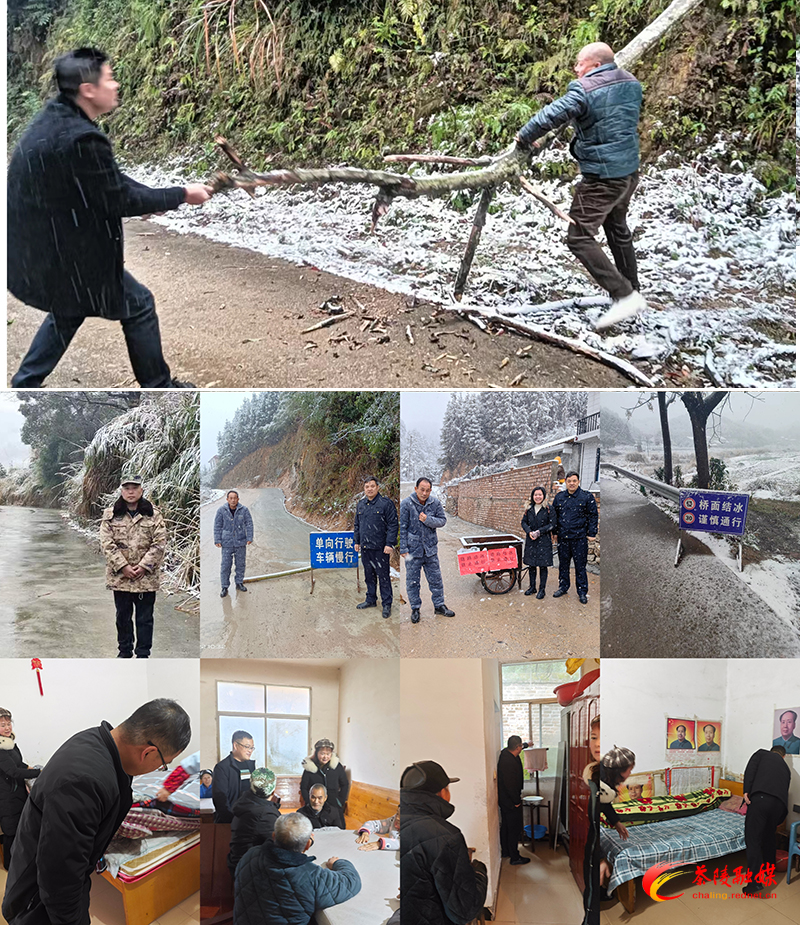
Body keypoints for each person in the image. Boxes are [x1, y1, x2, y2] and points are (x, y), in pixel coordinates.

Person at [8, 48, 213, 388]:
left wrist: (157, 196)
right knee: (138, 304)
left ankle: (25, 384)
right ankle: (160, 389)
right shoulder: (82, 139)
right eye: (109, 78)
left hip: (42, 252)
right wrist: (181, 195)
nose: (116, 85)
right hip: (62, 255)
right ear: (88, 89)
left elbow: (108, 183)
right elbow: (119, 197)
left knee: (69, 310)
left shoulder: (55, 121)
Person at [2, 699, 191, 925]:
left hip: (47, 880)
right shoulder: (84, 782)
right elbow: (60, 879)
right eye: (163, 765)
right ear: (148, 752)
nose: (159, 770)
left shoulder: (96, 739)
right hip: (36, 898)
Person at [515, 42, 645, 332]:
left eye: (580, 63)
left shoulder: (583, 89)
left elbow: (551, 115)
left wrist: (524, 137)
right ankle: (631, 289)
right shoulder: (632, 83)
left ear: (596, 66)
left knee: (579, 237)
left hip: (602, 178)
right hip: (628, 171)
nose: (576, 68)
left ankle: (624, 296)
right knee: (617, 228)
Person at [400, 760, 488, 925]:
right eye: (448, 788)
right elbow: (464, 911)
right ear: (442, 793)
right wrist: (479, 874)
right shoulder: (446, 837)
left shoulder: (393, 823)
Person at [233, 812, 361, 925]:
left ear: (273, 836)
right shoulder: (311, 876)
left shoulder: (251, 854)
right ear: (308, 844)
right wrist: (339, 863)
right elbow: (351, 881)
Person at [99, 474, 167, 659]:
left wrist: (144, 566)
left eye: (134, 488)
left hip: (145, 579)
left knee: (145, 619)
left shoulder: (154, 514)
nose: (131, 491)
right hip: (120, 578)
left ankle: (143, 655)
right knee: (122, 617)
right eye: (127, 488)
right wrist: (123, 567)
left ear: (141, 490)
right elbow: (106, 543)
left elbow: (160, 543)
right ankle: (125, 653)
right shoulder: (111, 514)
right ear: (121, 491)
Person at [582, 744, 634, 925]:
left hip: (593, 839)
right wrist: (602, 858)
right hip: (591, 842)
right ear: (621, 770)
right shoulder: (600, 784)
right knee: (592, 885)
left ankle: (602, 895)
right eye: (630, 769)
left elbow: (606, 805)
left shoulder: (607, 783)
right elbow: (594, 820)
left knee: (595, 885)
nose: (631, 773)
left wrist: (617, 823)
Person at [399, 478, 455, 624]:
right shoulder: (406, 504)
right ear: (416, 488)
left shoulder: (434, 503)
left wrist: (427, 519)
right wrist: (403, 548)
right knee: (412, 582)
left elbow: (442, 521)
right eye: (421, 489)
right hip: (412, 550)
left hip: (430, 549)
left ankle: (439, 605)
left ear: (430, 490)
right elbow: (402, 527)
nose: (424, 493)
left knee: (436, 579)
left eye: (427, 490)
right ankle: (415, 608)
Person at [742, 745, 791, 895]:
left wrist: (746, 791)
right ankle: (770, 870)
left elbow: (750, 771)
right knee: (769, 836)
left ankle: (754, 883)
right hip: (778, 807)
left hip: (761, 800)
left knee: (754, 841)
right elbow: (785, 792)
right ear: (783, 756)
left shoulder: (761, 754)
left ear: (772, 752)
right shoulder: (786, 769)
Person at [0, 708, 40, 871]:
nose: (7, 727)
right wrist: (37, 772)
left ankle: (21, 859)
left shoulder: (10, 743)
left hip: (17, 792)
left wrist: (30, 767)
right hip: (7, 796)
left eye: (9, 723)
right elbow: (13, 772)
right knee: (10, 831)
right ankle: (9, 865)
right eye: (2, 725)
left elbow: (18, 764)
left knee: (20, 827)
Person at [353, 475, 398, 619]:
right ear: (364, 489)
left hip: (380, 549)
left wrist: (390, 543)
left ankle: (386, 604)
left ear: (377, 487)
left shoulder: (386, 504)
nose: (370, 489)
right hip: (366, 548)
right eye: (367, 487)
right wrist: (357, 541)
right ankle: (371, 599)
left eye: (372, 486)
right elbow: (357, 525)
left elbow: (393, 524)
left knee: (383, 577)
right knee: (369, 576)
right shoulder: (361, 505)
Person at [551, 471, 598, 605]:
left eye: (574, 481)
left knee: (580, 566)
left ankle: (582, 591)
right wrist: (554, 532)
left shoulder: (586, 497)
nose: (571, 483)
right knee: (563, 565)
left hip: (579, 538)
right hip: (563, 538)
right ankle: (563, 587)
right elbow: (555, 516)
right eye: (569, 481)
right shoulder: (560, 497)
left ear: (578, 482)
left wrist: (592, 533)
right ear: (566, 482)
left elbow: (593, 516)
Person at [228, 768, 282, 877]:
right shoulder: (265, 814)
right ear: (273, 790)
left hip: (239, 863)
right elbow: (280, 844)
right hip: (250, 872)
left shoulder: (245, 802)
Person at [300, 739, 349, 828]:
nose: (325, 757)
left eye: (328, 754)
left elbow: (345, 784)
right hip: (316, 805)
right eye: (322, 753)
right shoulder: (309, 768)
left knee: (339, 829)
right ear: (316, 753)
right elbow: (303, 787)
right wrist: (309, 802)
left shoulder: (337, 766)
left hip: (334, 804)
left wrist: (340, 801)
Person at [214, 490, 254, 598]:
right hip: (226, 542)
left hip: (241, 541)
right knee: (225, 565)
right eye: (230, 498)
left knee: (240, 564)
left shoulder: (244, 510)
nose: (233, 500)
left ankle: (239, 582)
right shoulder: (221, 511)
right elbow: (217, 525)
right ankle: (224, 587)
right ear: (227, 499)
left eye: (235, 498)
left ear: (238, 499)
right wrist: (217, 539)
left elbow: (249, 524)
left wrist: (249, 537)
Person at [497, 735, 530, 866]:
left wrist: (527, 744)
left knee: (506, 826)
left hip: (505, 800)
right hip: (510, 801)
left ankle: (506, 851)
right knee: (513, 829)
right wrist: (516, 801)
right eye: (521, 746)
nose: (522, 748)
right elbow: (510, 784)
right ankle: (514, 857)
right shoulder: (508, 762)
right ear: (517, 747)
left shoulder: (506, 753)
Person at [213, 730, 256, 823]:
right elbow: (220, 800)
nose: (250, 751)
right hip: (230, 820)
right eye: (247, 747)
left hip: (249, 819)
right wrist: (232, 821)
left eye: (252, 748)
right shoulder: (222, 768)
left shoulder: (251, 766)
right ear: (235, 745)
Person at [521, 486, 554, 598]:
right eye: (536, 495)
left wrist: (539, 532)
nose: (538, 497)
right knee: (532, 565)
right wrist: (529, 532)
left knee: (542, 566)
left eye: (540, 494)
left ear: (543, 496)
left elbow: (552, 524)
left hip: (544, 541)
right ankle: (532, 587)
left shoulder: (549, 508)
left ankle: (542, 589)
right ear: (532, 496)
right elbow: (523, 522)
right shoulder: (529, 508)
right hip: (531, 541)